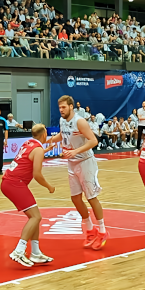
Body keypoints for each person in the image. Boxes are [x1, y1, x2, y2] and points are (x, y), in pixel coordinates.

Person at [48, 95, 109, 250]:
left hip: (86, 162)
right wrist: (50, 140)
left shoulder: (80, 121)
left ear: (71, 106)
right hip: (72, 163)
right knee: (75, 198)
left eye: (63, 107)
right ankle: (90, 229)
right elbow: (63, 135)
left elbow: (93, 141)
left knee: (91, 197)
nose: (61, 110)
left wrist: (76, 151)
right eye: (59, 107)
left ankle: (102, 230)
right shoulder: (63, 121)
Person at [3, 124, 56, 267]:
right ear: (45, 134)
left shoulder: (28, 143)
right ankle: (19, 251)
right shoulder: (38, 150)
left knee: (35, 217)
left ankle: (36, 252)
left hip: (9, 182)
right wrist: (49, 186)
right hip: (15, 183)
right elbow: (37, 174)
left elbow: (31, 156)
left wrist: (45, 151)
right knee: (36, 217)